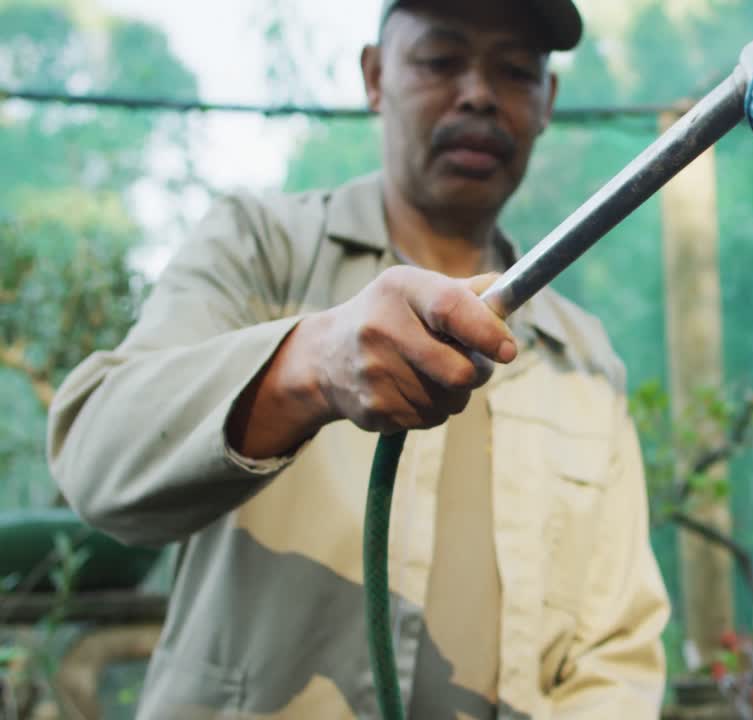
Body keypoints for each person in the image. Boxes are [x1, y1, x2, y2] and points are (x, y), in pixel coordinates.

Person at [46, 0, 670, 717]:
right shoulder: (261, 250)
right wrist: (308, 365)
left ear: (547, 101)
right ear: (375, 77)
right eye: (440, 60)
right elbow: (97, 458)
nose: (478, 93)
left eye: (515, 71)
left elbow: (614, 651)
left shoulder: (583, 356)